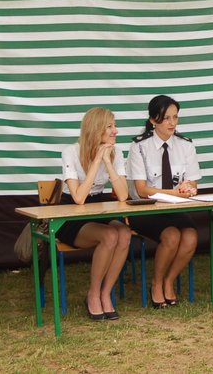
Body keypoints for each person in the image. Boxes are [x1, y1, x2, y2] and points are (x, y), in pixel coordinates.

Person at [127, 95, 200, 308]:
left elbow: (192, 181)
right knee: (171, 235)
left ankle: (169, 280)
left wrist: (188, 187)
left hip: (175, 208)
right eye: (166, 118)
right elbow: (142, 190)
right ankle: (156, 283)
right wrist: (175, 193)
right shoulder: (139, 146)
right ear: (153, 120)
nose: (172, 123)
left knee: (190, 237)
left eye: (175, 117)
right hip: (145, 210)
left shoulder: (185, 145)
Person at [60, 107, 131, 321]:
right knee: (109, 235)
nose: (115, 131)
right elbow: (79, 198)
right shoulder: (70, 152)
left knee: (124, 233)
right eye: (110, 126)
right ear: (95, 129)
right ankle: (93, 293)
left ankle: (105, 293)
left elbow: (123, 195)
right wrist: (97, 161)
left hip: (98, 206)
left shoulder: (116, 152)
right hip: (71, 213)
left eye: (115, 125)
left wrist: (108, 161)